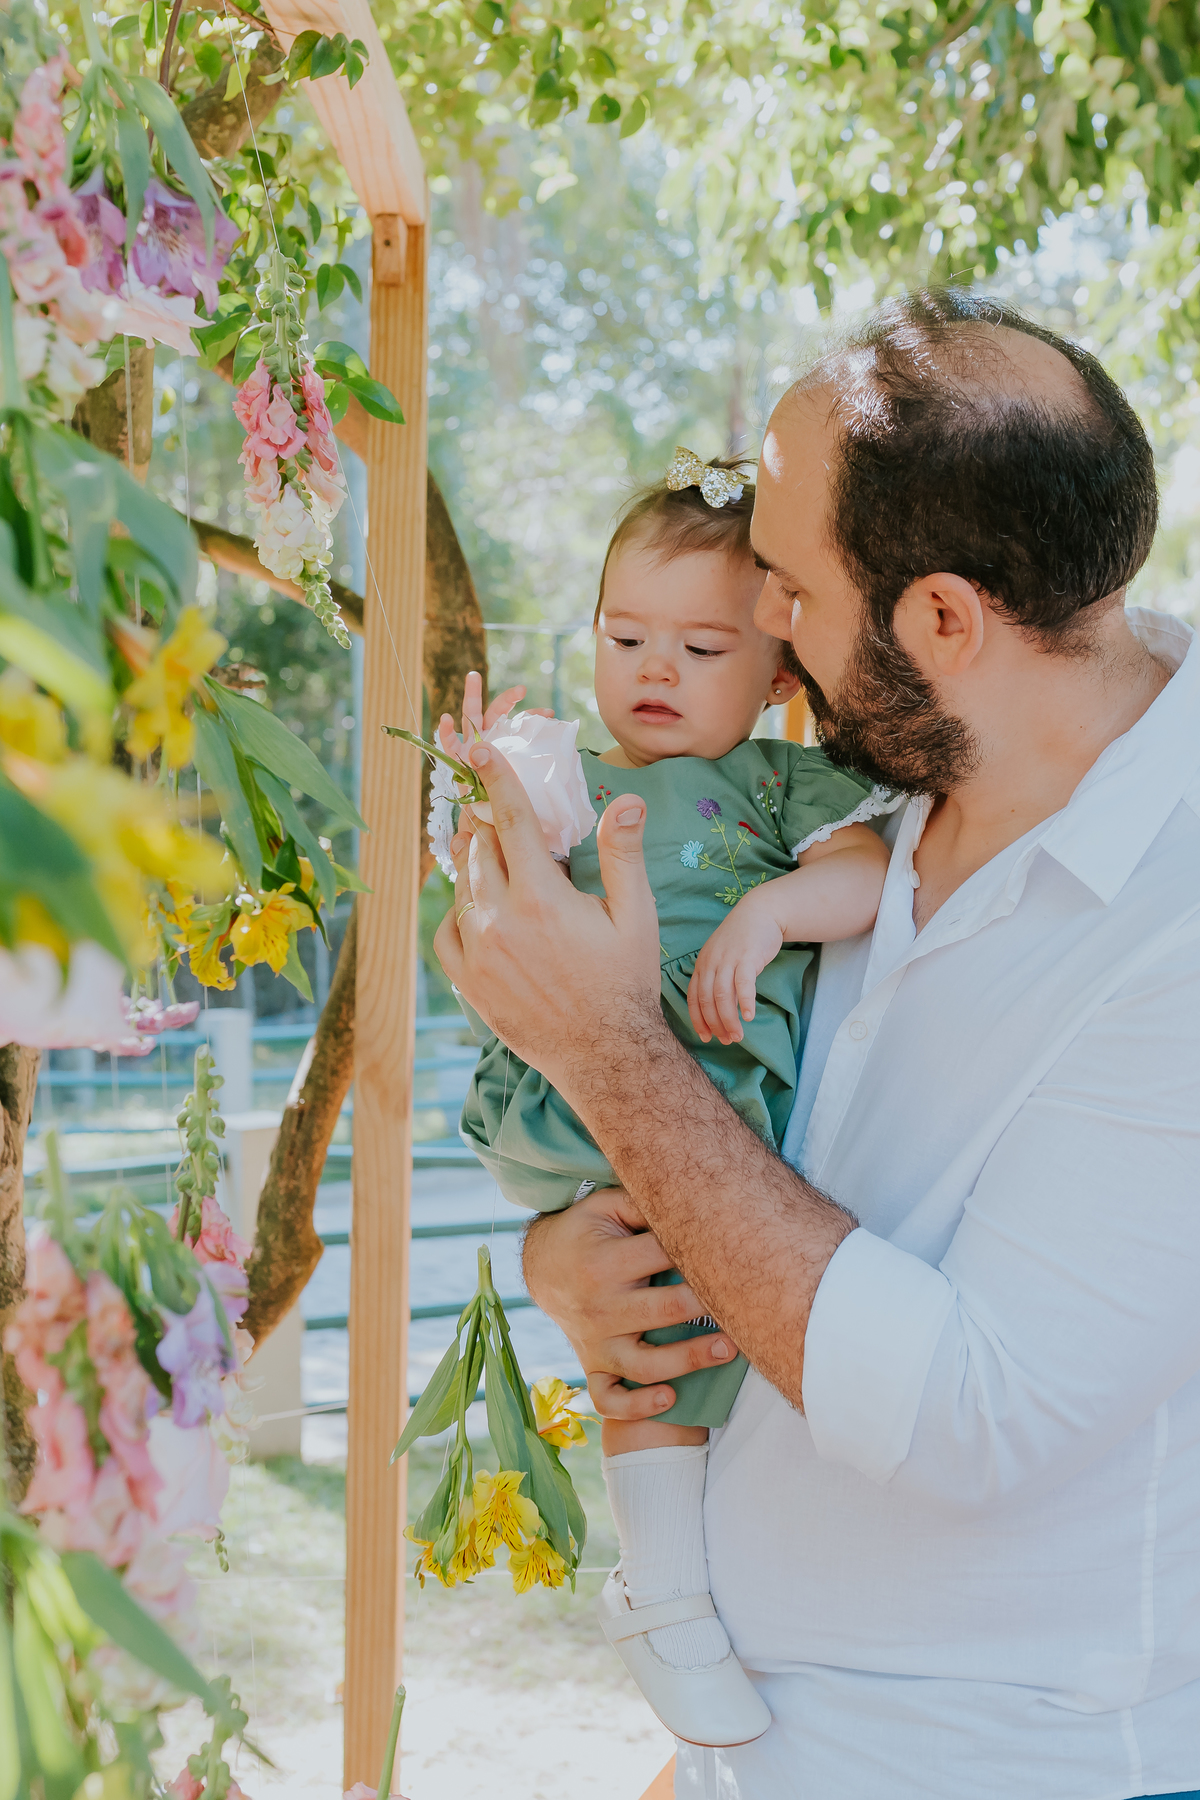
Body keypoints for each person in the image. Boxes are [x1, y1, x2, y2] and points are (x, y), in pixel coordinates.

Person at [435, 289, 1200, 1800]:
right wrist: (572, 1259)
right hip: (761, 1750)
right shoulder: (895, 777)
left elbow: (965, 1418)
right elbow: (750, 1184)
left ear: (942, 622)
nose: (763, 631)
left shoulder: (1173, 919)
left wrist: (612, 1059)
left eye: (786, 586)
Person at [439, 453, 893, 1746]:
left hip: (700, 1109)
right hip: (570, 1090)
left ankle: (662, 1588)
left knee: (663, 1331)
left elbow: (860, 877)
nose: (655, 669)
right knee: (645, 1315)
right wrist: (497, 789)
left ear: (775, 673)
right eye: (625, 634)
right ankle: (665, 1580)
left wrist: (771, 907)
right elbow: (485, 910)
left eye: (700, 647)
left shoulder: (776, 785)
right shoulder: (577, 774)